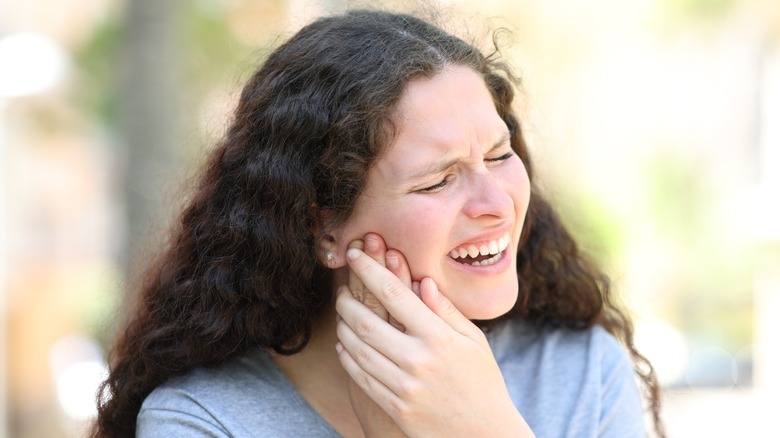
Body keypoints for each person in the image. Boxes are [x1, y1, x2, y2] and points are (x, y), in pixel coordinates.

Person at [92, 8, 664, 438]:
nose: (498, 202)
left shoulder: (581, 370)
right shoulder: (205, 419)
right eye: (438, 180)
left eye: (499, 154)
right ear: (325, 229)